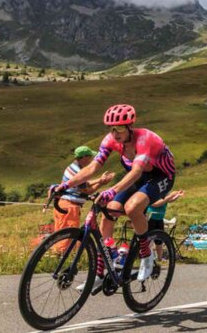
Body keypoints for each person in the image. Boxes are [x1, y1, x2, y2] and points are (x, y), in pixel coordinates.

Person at [55, 104, 176, 289]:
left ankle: (146, 255)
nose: (115, 133)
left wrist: (112, 189)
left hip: (161, 176)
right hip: (139, 176)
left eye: (120, 128)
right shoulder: (110, 140)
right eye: (112, 129)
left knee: (132, 207)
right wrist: (65, 185)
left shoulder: (144, 139)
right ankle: (100, 272)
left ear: (129, 127)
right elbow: (93, 167)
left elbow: (136, 171)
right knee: (109, 210)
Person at [50, 146, 114, 253]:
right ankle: (62, 256)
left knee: (60, 232)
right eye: (90, 157)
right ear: (84, 157)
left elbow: (85, 183)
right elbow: (87, 191)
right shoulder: (77, 171)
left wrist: (100, 180)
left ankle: (59, 254)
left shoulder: (73, 167)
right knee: (68, 234)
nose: (91, 161)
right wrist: (101, 183)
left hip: (62, 203)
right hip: (70, 206)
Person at [146, 189, 185, 261]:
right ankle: (146, 257)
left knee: (159, 240)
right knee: (148, 239)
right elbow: (156, 204)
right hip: (151, 219)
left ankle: (159, 259)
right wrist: (170, 196)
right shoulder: (153, 192)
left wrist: (177, 195)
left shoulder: (164, 193)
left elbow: (170, 200)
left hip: (160, 219)